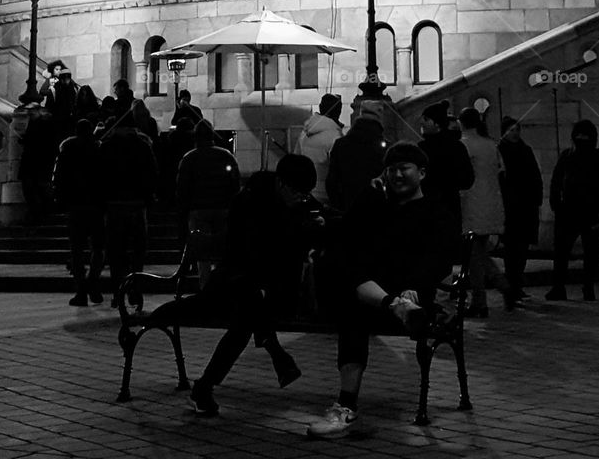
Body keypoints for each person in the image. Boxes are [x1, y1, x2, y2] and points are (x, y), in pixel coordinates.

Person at [307, 142, 457, 438]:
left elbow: (438, 259)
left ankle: (345, 407)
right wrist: (369, 193)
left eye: (404, 169)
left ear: (422, 173)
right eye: (391, 170)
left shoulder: (436, 210)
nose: (396, 175)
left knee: (349, 295)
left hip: (414, 302)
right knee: (343, 277)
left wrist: (414, 286)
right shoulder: (380, 206)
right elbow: (349, 231)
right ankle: (345, 406)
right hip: (385, 300)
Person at [189, 154, 323, 417]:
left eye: (306, 194)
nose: (302, 198)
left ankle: (206, 386)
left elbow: (316, 222)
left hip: (272, 291)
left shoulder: (298, 202)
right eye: (298, 193)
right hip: (241, 280)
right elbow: (247, 253)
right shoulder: (249, 202)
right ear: (282, 185)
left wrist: (316, 225)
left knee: (247, 315)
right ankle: (272, 349)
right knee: (248, 306)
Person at [546, 119, 599, 302]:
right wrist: (557, 206)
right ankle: (570, 287)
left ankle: (579, 287)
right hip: (574, 212)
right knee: (567, 253)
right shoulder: (572, 157)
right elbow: (556, 184)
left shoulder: (593, 159)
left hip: (586, 213)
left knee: (583, 254)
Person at [99, 114, 159, 306]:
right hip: (137, 203)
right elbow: (152, 173)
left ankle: (118, 291)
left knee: (116, 251)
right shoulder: (142, 146)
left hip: (114, 203)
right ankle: (135, 289)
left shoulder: (107, 146)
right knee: (138, 251)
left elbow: (99, 175)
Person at [176, 119, 242, 285]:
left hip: (198, 209)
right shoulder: (225, 155)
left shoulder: (189, 158)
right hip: (223, 208)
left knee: (202, 254)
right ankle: (222, 287)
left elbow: (182, 188)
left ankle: (205, 288)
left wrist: (183, 211)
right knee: (223, 252)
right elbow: (235, 183)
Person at [457, 107, 505, 317]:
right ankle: (503, 286)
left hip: (472, 203)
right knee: (480, 253)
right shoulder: (490, 144)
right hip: (491, 201)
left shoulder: (464, 145)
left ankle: (481, 300)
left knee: (474, 256)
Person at [52, 118, 105, 305]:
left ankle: (81, 289)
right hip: (96, 204)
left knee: (77, 250)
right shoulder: (99, 149)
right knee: (98, 248)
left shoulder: (67, 150)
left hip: (75, 205)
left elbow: (58, 177)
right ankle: (93, 282)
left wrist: (60, 198)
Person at [497, 115, 543, 307]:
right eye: (511, 130)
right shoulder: (500, 151)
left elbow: (535, 176)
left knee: (521, 248)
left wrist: (536, 198)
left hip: (525, 206)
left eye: (517, 130)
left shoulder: (525, 150)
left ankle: (516, 284)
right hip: (510, 206)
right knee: (511, 250)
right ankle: (511, 286)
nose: (515, 133)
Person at [418, 101, 474, 233]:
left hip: (429, 206)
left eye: (426, 119)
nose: (422, 123)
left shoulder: (423, 148)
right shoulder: (457, 147)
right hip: (451, 205)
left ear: (437, 124)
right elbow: (467, 180)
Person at [325, 112, 385, 212]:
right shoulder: (379, 146)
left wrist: (337, 203)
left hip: (347, 199)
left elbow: (332, 180)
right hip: (375, 203)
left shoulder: (340, 144)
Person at [296, 93, 344, 202]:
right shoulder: (335, 137)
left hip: (307, 193)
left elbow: (296, 159)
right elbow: (339, 171)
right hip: (328, 195)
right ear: (338, 111)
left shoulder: (304, 133)